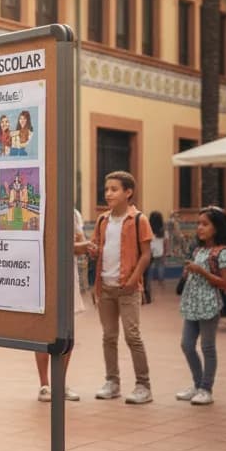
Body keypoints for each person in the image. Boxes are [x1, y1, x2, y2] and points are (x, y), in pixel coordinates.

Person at [84, 171, 153, 404]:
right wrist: (93, 253)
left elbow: (146, 255)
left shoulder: (139, 220)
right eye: (107, 190)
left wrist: (134, 280)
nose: (108, 194)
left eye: (114, 189)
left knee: (132, 336)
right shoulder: (103, 220)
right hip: (106, 287)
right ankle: (112, 382)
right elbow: (96, 247)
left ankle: (143, 386)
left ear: (128, 192)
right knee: (109, 336)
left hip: (128, 288)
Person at [176, 207, 226, 406]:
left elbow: (224, 283)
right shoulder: (198, 250)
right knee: (186, 344)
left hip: (209, 305)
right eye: (198, 223)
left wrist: (200, 271)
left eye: (205, 224)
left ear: (216, 228)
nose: (199, 228)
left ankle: (206, 388)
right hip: (192, 304)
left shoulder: (223, 253)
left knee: (208, 347)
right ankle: (197, 384)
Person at [34, 208, 88, 402]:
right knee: (42, 333)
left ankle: (60, 384)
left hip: (67, 279)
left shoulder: (72, 213)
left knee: (67, 333)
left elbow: (79, 244)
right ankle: (44, 385)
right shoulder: (41, 209)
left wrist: (86, 245)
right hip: (43, 277)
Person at [148, 210, 166, 292]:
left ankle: (148, 282)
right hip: (160, 251)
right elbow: (165, 242)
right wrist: (165, 252)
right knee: (160, 266)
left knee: (149, 268)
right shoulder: (163, 231)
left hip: (150, 251)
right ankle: (161, 281)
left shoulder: (148, 229)